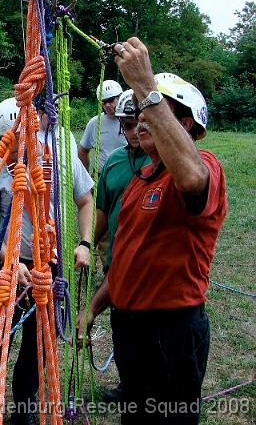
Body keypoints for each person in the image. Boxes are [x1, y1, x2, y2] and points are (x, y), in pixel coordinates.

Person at [79, 39, 227, 424]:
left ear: (186, 125)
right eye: (141, 112)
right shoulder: (140, 180)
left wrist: (146, 86)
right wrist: (94, 307)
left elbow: (192, 179)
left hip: (171, 332)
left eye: (155, 111)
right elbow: (127, 262)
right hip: (130, 328)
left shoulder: (204, 166)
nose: (142, 119)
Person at [0, 97, 94, 425]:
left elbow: (84, 200)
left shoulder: (59, 160)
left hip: (45, 265)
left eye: (19, 138)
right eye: (5, 140)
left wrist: (85, 242)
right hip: (7, 266)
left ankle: (24, 407)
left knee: (38, 340)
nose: (11, 145)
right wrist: (9, 257)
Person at [86, 88, 150, 403]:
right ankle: (128, 386)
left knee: (149, 332)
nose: (134, 130)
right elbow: (101, 211)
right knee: (122, 328)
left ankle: (151, 389)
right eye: (126, 124)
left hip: (149, 266)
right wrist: (85, 244)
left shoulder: (162, 161)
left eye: (140, 122)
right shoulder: (114, 162)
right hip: (116, 261)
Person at [78, 79, 125, 177]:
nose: (107, 105)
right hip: (101, 176)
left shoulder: (130, 121)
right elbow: (83, 150)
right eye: (103, 102)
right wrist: (85, 177)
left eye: (111, 100)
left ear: (120, 97)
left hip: (125, 175)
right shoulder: (95, 122)